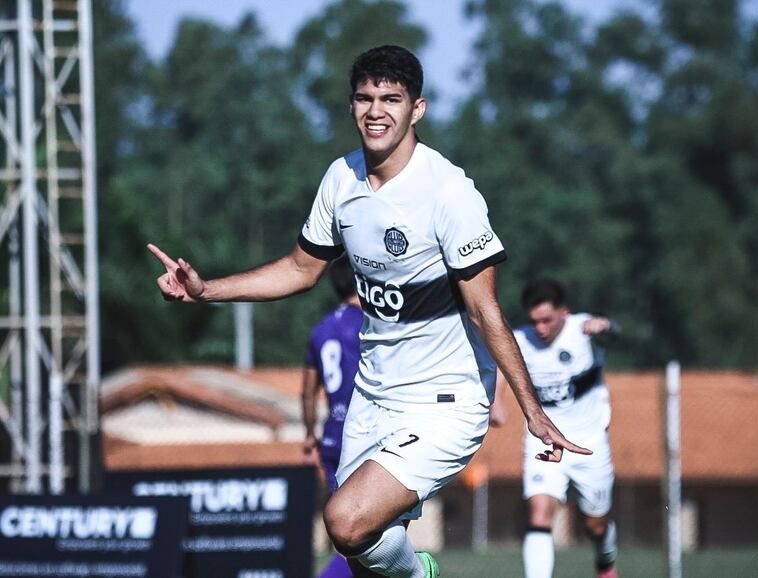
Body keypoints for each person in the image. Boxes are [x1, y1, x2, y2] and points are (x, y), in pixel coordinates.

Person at [149, 45, 590, 578]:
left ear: (417, 109)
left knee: (346, 520)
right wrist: (205, 291)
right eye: (364, 98)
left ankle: (420, 572)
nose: (375, 110)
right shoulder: (342, 179)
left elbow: (485, 311)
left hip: (444, 399)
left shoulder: (449, 194)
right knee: (362, 560)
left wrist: (532, 410)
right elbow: (299, 269)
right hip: (373, 393)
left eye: (391, 98)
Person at [494, 278, 619, 578]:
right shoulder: (521, 340)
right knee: (539, 512)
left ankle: (605, 560)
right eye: (534, 321)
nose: (540, 328)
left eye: (547, 320)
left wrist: (606, 326)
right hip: (544, 440)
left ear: (565, 312)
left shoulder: (583, 329)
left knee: (595, 524)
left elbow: (613, 331)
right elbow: (501, 365)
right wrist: (496, 401)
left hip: (590, 443)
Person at [302, 258, 362, 578]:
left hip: (331, 437)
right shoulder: (371, 324)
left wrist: (310, 433)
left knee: (352, 533)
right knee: (368, 538)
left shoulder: (321, 329)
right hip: (364, 435)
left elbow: (309, 389)